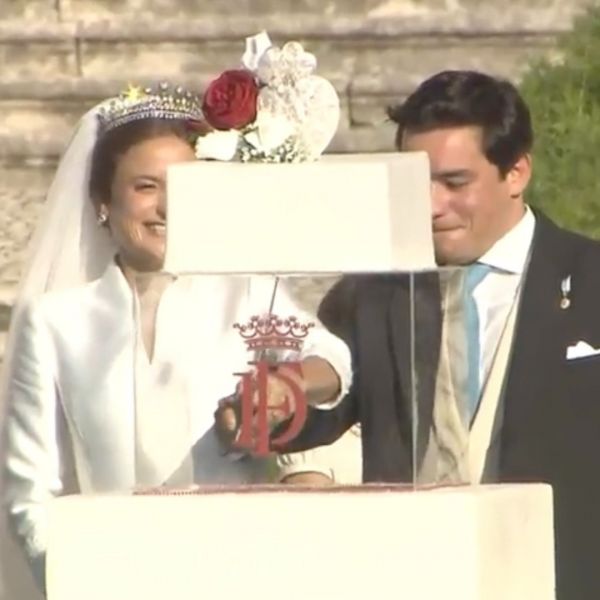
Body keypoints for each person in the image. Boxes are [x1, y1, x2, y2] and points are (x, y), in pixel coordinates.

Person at [217, 69, 600, 600]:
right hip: (413, 577)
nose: (431, 204)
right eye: (415, 182)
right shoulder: (377, 289)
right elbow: (330, 392)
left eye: (455, 183)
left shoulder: (591, 279)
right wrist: (273, 403)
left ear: (516, 173)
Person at [0, 83, 352, 597]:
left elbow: (332, 358)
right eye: (146, 187)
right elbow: (29, 491)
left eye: (184, 186)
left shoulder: (246, 292)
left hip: (241, 575)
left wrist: (287, 384)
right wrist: (81, 579)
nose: (166, 206)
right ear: (102, 201)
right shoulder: (55, 321)